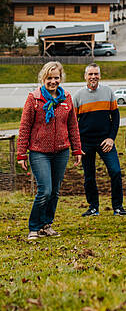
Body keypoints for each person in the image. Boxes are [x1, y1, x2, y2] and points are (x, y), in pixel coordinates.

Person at [17, 61, 82, 241]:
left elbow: (72, 126)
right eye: (49, 78)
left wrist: (77, 149)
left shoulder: (66, 98)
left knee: (55, 191)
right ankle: (34, 227)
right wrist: (21, 153)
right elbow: (25, 127)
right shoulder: (34, 98)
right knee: (45, 190)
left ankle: (47, 225)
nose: (53, 81)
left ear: (61, 79)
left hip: (61, 151)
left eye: (56, 78)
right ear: (43, 78)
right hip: (39, 152)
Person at [73, 63, 126, 217]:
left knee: (115, 171)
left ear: (100, 75)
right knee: (89, 176)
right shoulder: (78, 96)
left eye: (96, 74)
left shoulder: (108, 92)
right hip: (86, 143)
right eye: (90, 74)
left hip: (105, 141)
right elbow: (72, 123)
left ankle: (118, 207)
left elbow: (116, 117)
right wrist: (77, 144)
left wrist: (111, 138)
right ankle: (93, 207)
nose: (93, 77)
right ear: (85, 76)